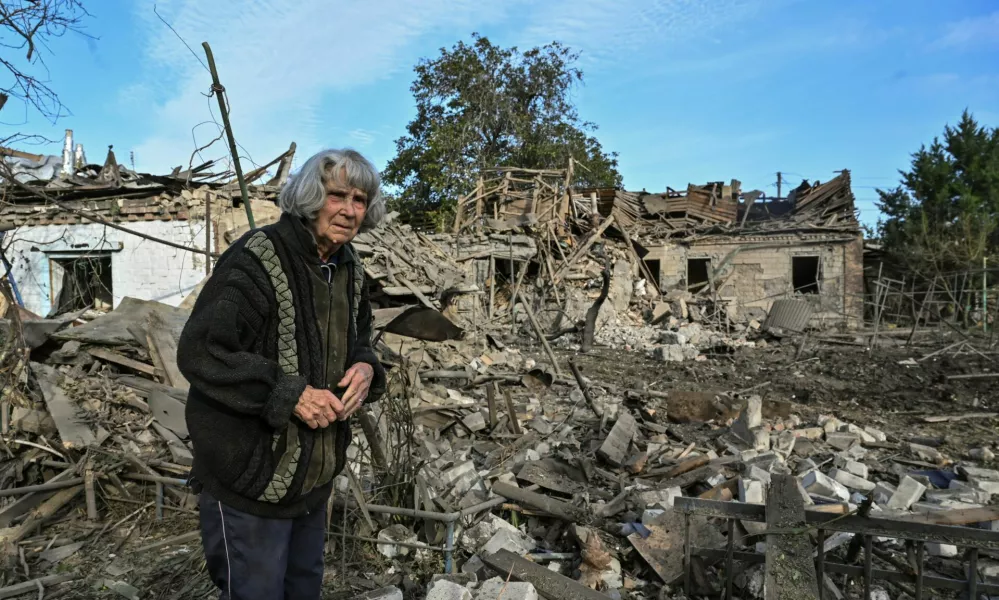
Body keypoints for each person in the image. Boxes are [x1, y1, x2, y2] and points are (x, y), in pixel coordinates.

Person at [178, 148, 387, 599]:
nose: (349, 210)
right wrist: (289, 394)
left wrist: (367, 368)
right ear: (312, 196)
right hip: (251, 477)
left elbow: (363, 339)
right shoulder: (257, 258)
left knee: (302, 590)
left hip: (312, 481)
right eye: (338, 196)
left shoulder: (349, 268)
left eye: (359, 200)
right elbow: (203, 351)